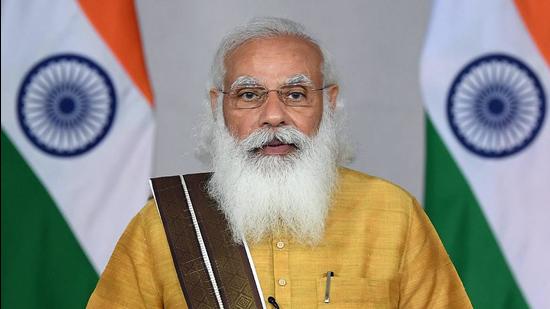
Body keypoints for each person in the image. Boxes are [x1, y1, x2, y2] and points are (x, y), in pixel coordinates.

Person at [87, 17, 472, 308]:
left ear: (329, 102)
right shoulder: (165, 225)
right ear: (217, 105)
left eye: (296, 94)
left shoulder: (392, 213)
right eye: (250, 94)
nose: (273, 115)